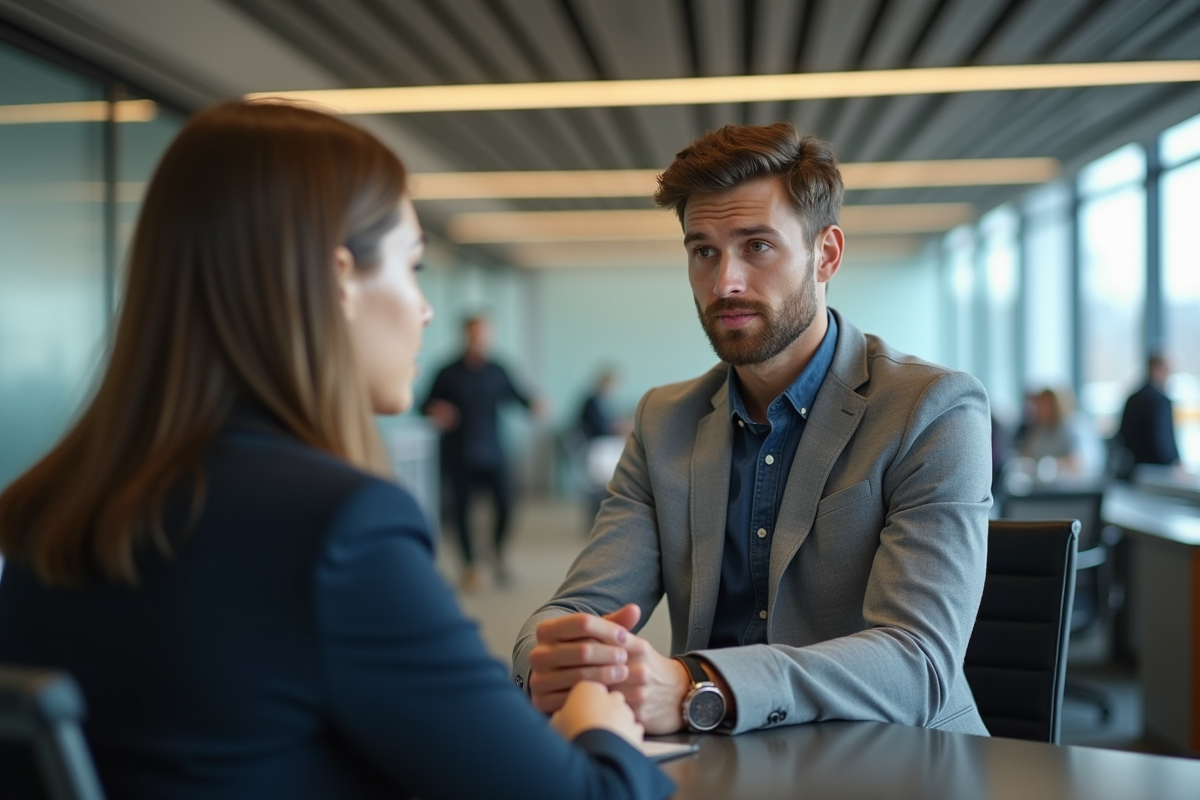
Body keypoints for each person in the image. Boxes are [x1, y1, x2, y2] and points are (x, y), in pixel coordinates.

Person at [0, 101, 671, 800]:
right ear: (340, 278)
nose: (426, 309)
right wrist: (600, 722)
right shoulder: (338, 529)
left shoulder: (49, 510)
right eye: (412, 266)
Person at [512, 123, 992, 738]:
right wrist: (550, 659)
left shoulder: (931, 410)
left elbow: (917, 664)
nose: (724, 283)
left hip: (892, 757)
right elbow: (579, 606)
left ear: (826, 254)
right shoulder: (665, 420)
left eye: (757, 246)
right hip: (713, 756)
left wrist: (698, 683)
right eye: (703, 251)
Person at [423, 315, 541, 590]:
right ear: (466, 335)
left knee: (506, 505)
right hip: (458, 453)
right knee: (460, 511)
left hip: (493, 451)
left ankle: (497, 552)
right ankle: (471, 565)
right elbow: (425, 403)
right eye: (474, 333)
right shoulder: (447, 372)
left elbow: (517, 396)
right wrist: (435, 410)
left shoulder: (498, 370)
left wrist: (534, 404)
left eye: (484, 334)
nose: (479, 339)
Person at [1015, 387, 1104, 483]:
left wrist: (1052, 465)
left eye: (1046, 405)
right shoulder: (1041, 429)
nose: (1042, 409)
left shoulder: (1074, 426)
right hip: (1046, 486)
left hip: (1076, 485)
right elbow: (1029, 453)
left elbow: (1081, 462)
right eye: (1040, 405)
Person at [1116, 353, 1181, 477]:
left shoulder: (1133, 398)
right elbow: (1162, 440)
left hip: (1135, 469)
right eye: (1166, 371)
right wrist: (1174, 462)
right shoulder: (1159, 401)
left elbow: (1122, 434)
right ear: (1155, 368)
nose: (1169, 376)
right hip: (1159, 470)